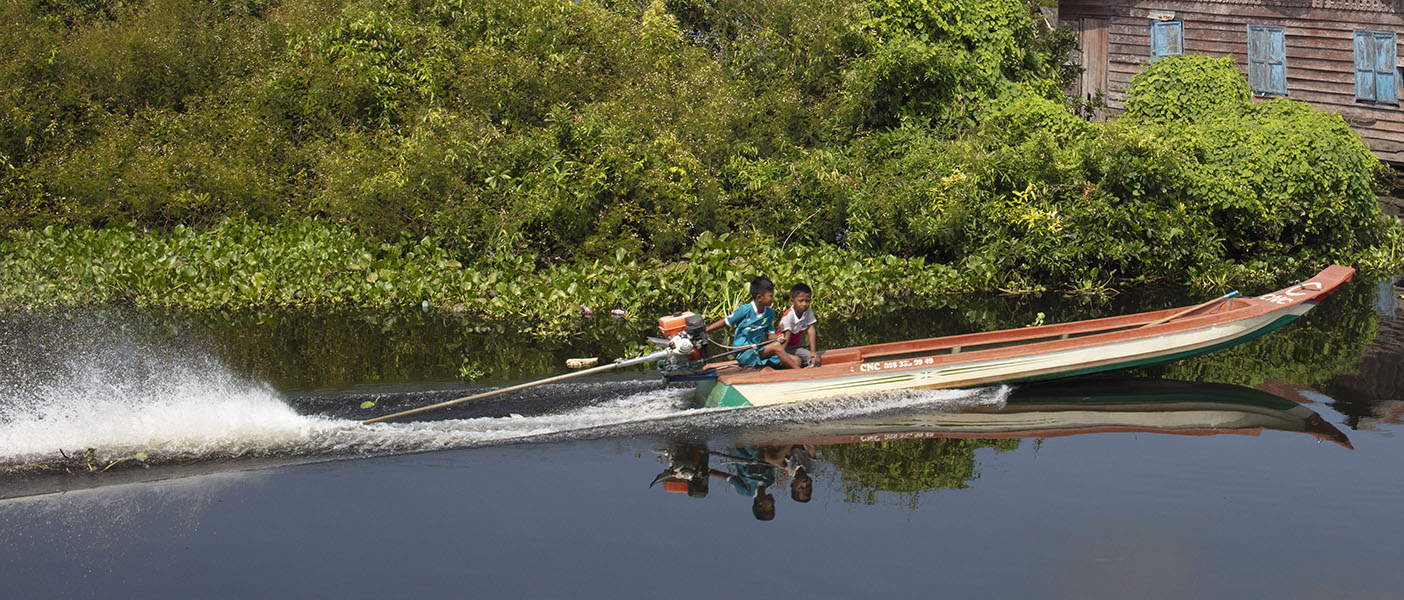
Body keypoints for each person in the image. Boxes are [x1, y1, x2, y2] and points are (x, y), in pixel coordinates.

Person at [707, 276, 800, 369]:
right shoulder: (744, 310)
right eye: (770, 296)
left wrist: (777, 338)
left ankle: (790, 375)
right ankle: (800, 372)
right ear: (759, 297)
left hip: (758, 350)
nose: (772, 299)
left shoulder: (770, 313)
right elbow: (725, 322)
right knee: (776, 347)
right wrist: (707, 330)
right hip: (744, 352)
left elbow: (770, 335)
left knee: (796, 360)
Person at [778, 283, 820, 368]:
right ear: (792, 301)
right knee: (797, 361)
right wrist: (781, 357)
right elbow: (787, 337)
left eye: (807, 301)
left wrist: (813, 352)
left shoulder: (807, 310)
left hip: (797, 347)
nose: (804, 304)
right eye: (801, 301)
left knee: (815, 360)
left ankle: (810, 372)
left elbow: (811, 329)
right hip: (784, 347)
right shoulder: (788, 317)